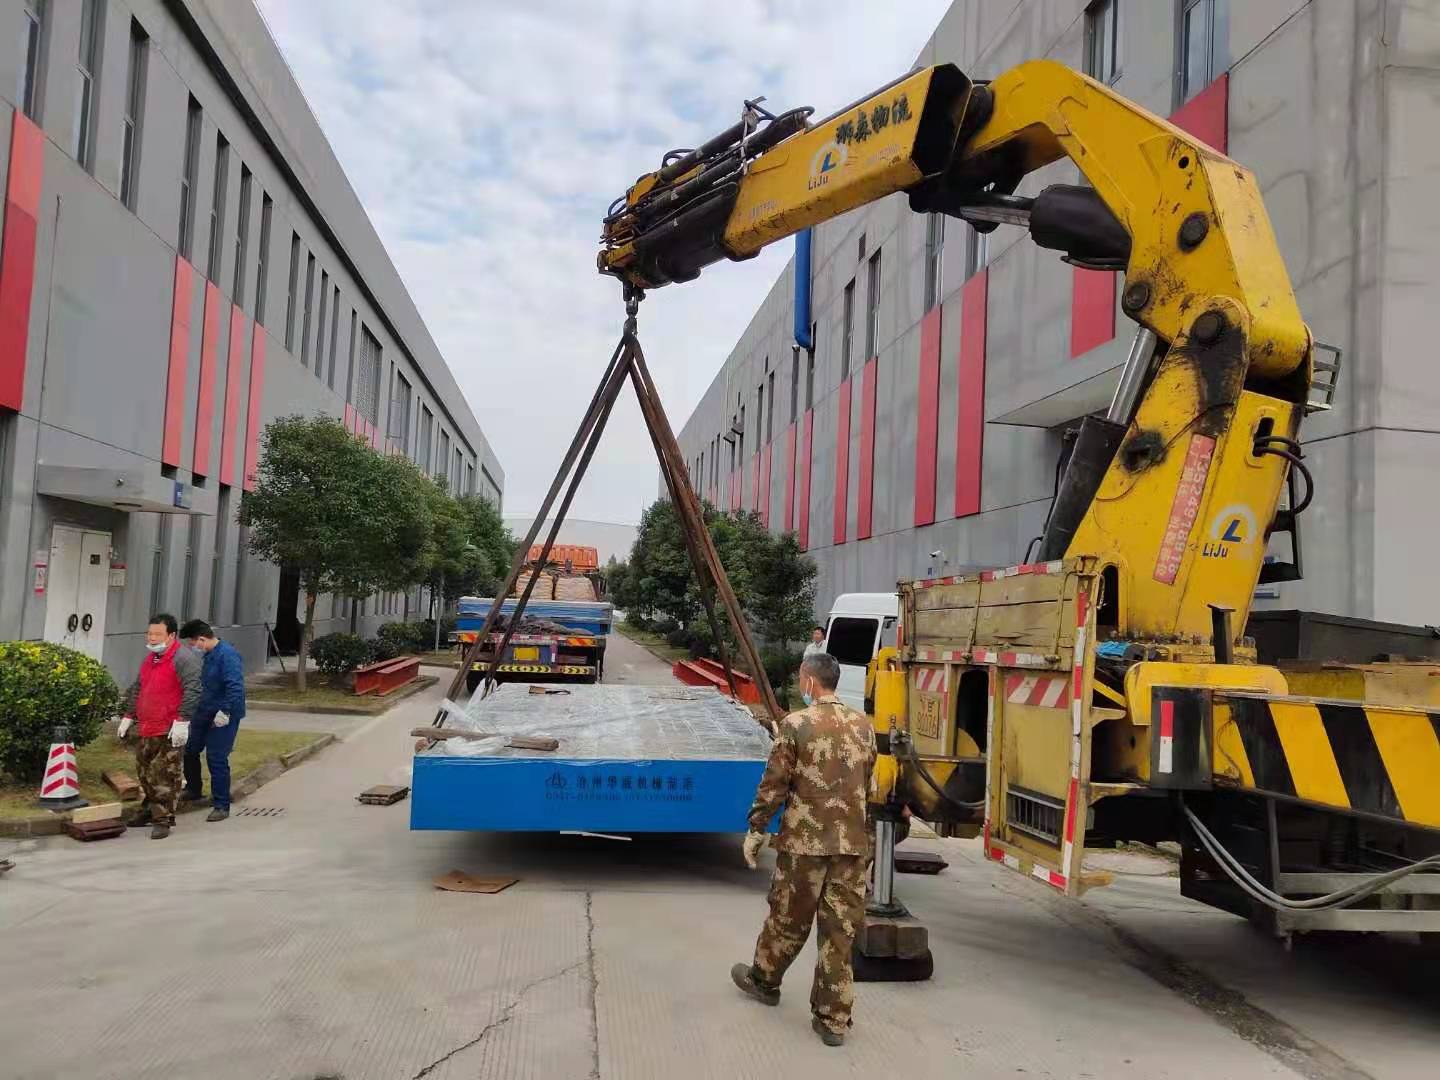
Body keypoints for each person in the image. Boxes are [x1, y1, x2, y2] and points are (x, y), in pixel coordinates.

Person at [731, 651, 876, 1047]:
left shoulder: (795, 725)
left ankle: (764, 981)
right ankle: (833, 1020)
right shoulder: (864, 727)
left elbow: (775, 783)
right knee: (840, 932)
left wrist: (757, 828)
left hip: (804, 845)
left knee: (788, 918)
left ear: (810, 682)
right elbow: (868, 786)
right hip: (851, 847)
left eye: (801, 678)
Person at [118, 614, 202, 839]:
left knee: (163, 775)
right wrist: (129, 715)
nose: (152, 638)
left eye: (157, 634)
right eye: (149, 634)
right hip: (147, 726)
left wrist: (182, 720)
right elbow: (139, 687)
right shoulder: (151, 659)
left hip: (169, 728)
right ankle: (149, 809)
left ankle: (163, 819)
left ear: (171, 635)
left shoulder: (183, 659)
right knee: (145, 772)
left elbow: (193, 690)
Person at [179, 619, 247, 822]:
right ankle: (193, 789)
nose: (192, 647)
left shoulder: (228, 655)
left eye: (193, 643)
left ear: (202, 639)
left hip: (225, 714)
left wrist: (225, 711)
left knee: (216, 757)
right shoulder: (209, 655)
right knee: (190, 749)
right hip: (204, 710)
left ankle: (221, 804)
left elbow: (235, 686)